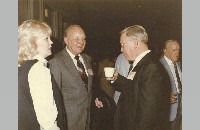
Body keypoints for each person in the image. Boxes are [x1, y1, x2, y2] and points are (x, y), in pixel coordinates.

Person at [108, 25, 170, 130]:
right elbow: (133, 87)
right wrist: (117, 79)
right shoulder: (141, 64)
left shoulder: (151, 67)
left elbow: (148, 115)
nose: (121, 49)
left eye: (123, 44)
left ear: (136, 43)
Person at [49, 25, 102, 130]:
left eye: (83, 39)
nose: (81, 42)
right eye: (76, 39)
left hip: (87, 119)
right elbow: (54, 97)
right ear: (66, 40)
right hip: (69, 122)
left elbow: (88, 86)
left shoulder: (87, 59)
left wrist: (96, 97)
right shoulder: (56, 61)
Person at [18, 20, 67, 130]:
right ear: (32, 42)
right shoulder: (38, 69)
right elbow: (47, 120)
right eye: (46, 38)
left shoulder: (20, 67)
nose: (51, 42)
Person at [159, 40, 182, 130]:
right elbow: (154, 88)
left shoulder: (178, 64)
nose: (177, 53)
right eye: (174, 50)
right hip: (167, 107)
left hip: (179, 104)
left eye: (178, 50)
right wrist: (165, 96)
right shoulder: (159, 65)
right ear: (165, 51)